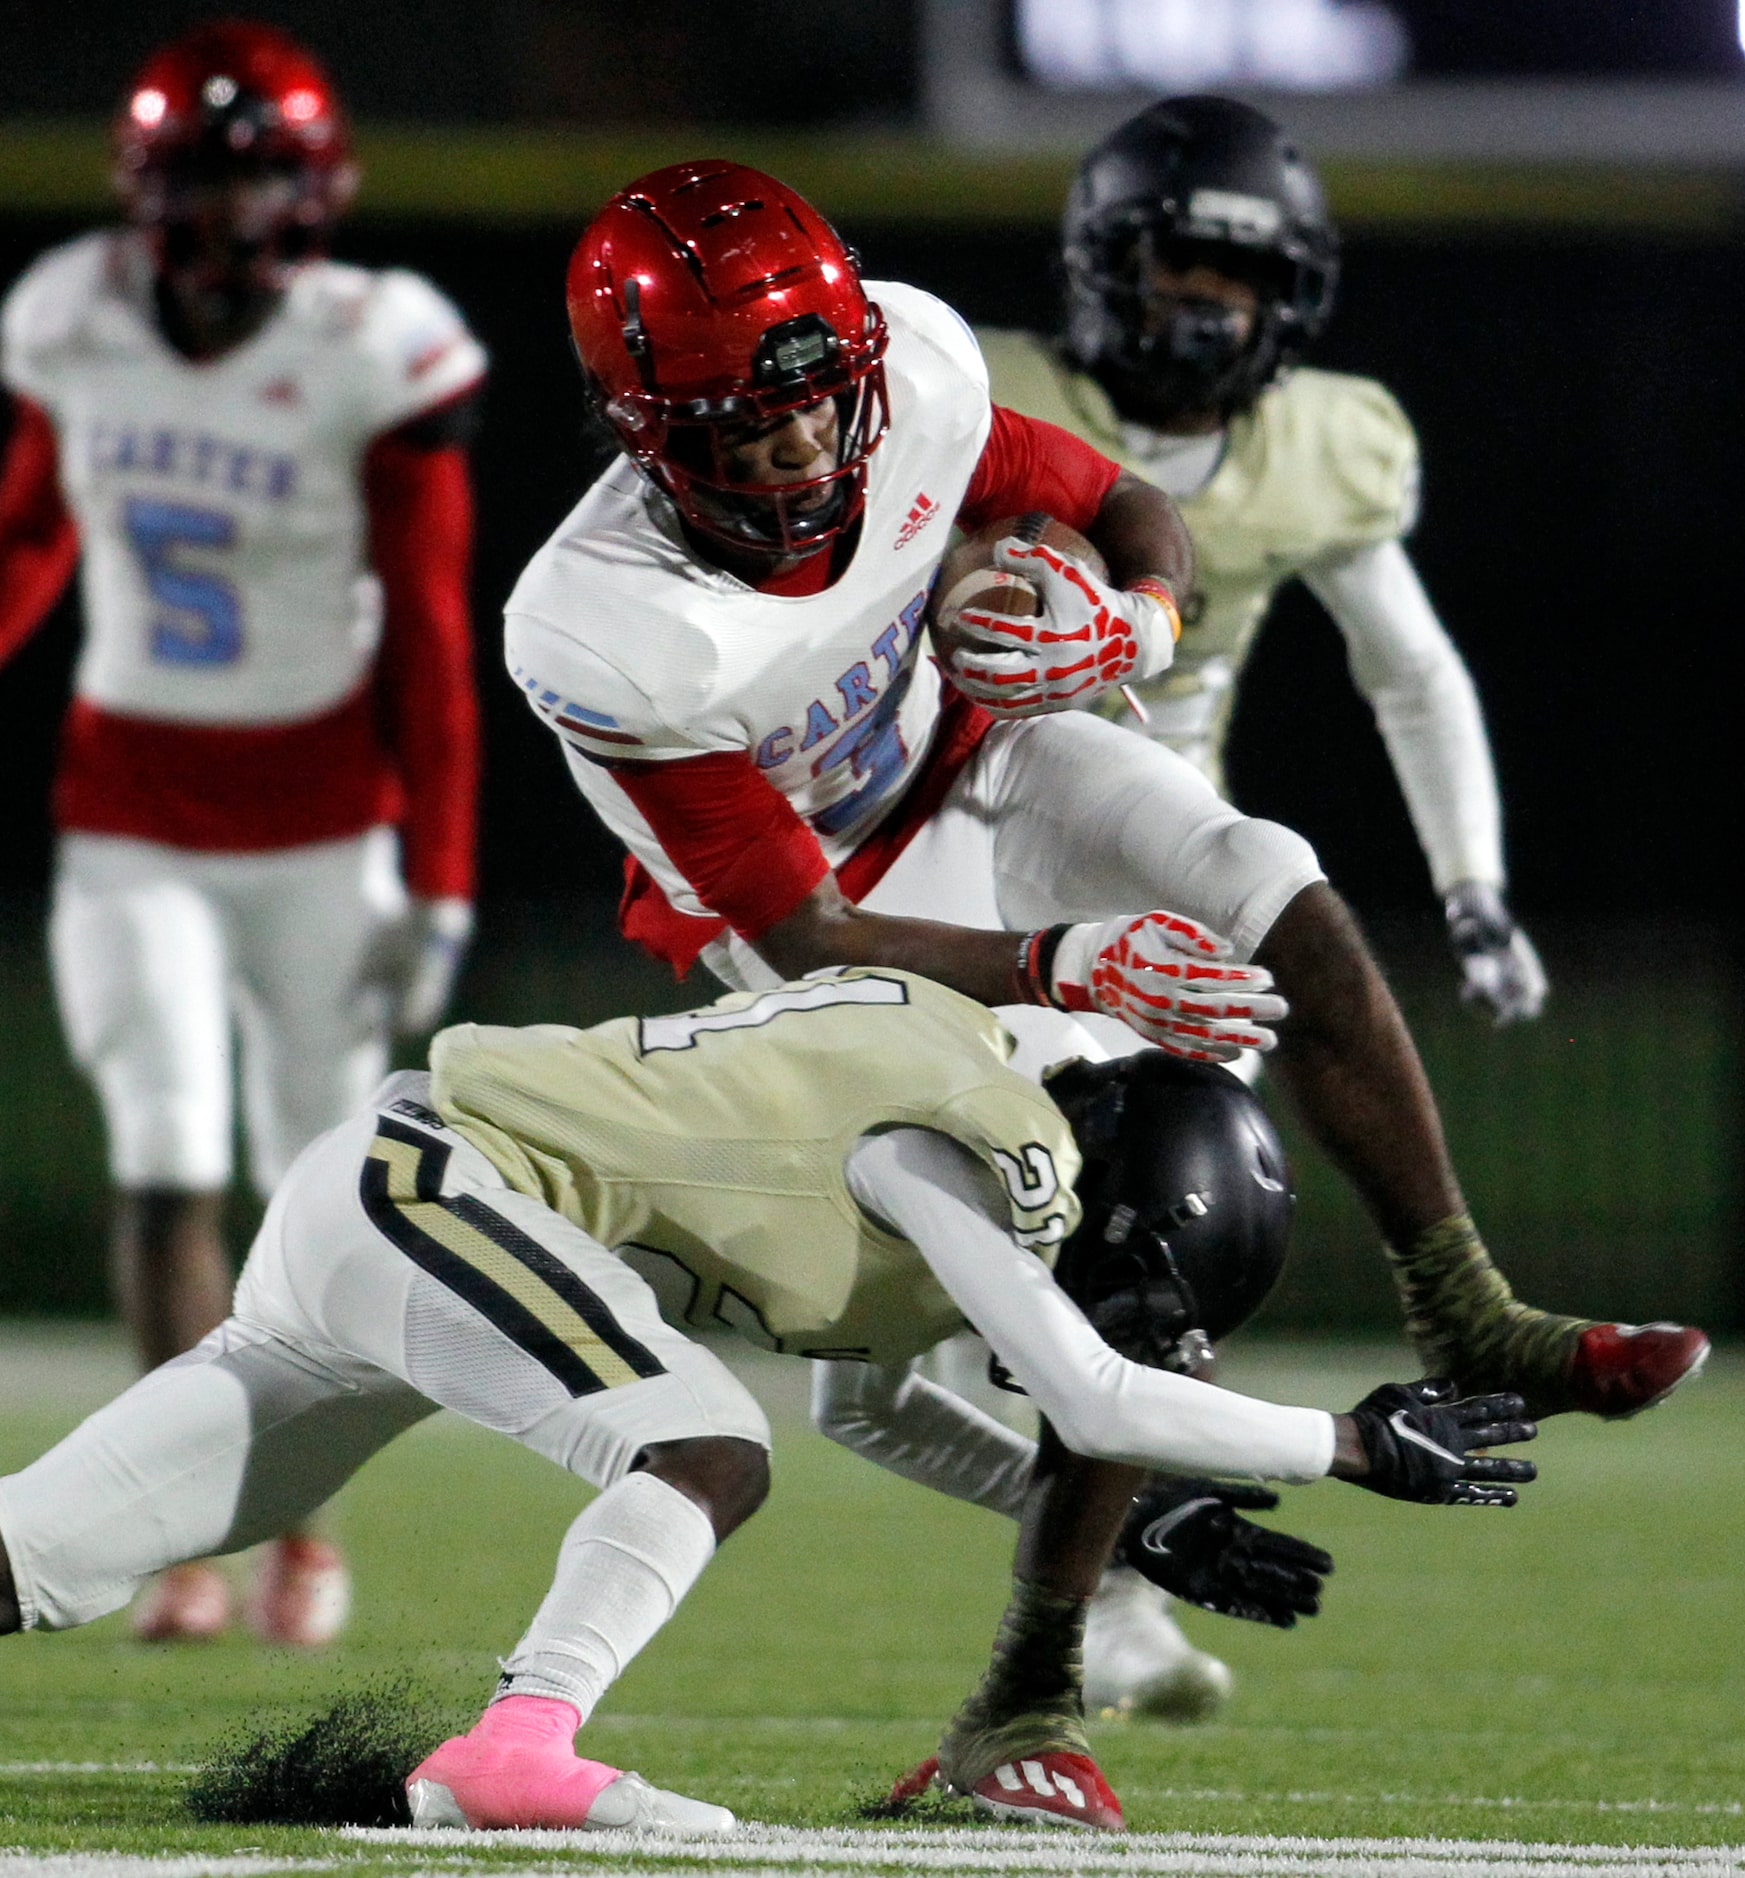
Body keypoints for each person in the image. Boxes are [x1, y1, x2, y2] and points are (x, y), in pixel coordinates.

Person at [502, 157, 1704, 1720]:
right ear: (648, 427)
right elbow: (804, 927)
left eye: (814, 397)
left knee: (1271, 877)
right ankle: (1035, 1681)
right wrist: (1064, 966)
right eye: (745, 418)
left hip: (980, 752)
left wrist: (1134, 616)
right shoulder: (611, 630)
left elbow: (1127, 503)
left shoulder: (921, 369)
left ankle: (1465, 1307)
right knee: (1128, 1204)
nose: (801, 444)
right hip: (828, 921)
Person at [0, 968, 1540, 1834]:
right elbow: (1087, 1383)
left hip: (390, 1215)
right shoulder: (968, 1132)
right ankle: (515, 1745)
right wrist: (1344, 1441)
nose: (1065, 1311)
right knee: (696, 1440)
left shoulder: (968, 1114)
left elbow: (872, 1411)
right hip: (439, 1186)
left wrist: (1142, 1505)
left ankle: (517, 1743)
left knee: (41, 1555)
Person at [0, 22, 485, 1644]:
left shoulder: (375, 344)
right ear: (147, 192)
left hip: (317, 823)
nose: (230, 212)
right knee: (159, 1164)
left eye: (259, 173)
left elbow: (426, 632)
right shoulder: (70, 319)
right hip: (129, 805)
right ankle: (172, 1539)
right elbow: (23, 543)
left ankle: (299, 1522)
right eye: (206, 177)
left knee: (314, 1198)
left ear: (318, 186)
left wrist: (440, 870)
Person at [978, 94, 1545, 1026]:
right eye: (1181, 260)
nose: (1209, 297)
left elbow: (1413, 676)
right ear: (1106, 262)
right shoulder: (991, 401)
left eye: (1239, 271)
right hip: (960, 832)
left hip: (1167, 855)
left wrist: (1471, 884)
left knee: (1201, 1145)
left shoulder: (1319, 450)